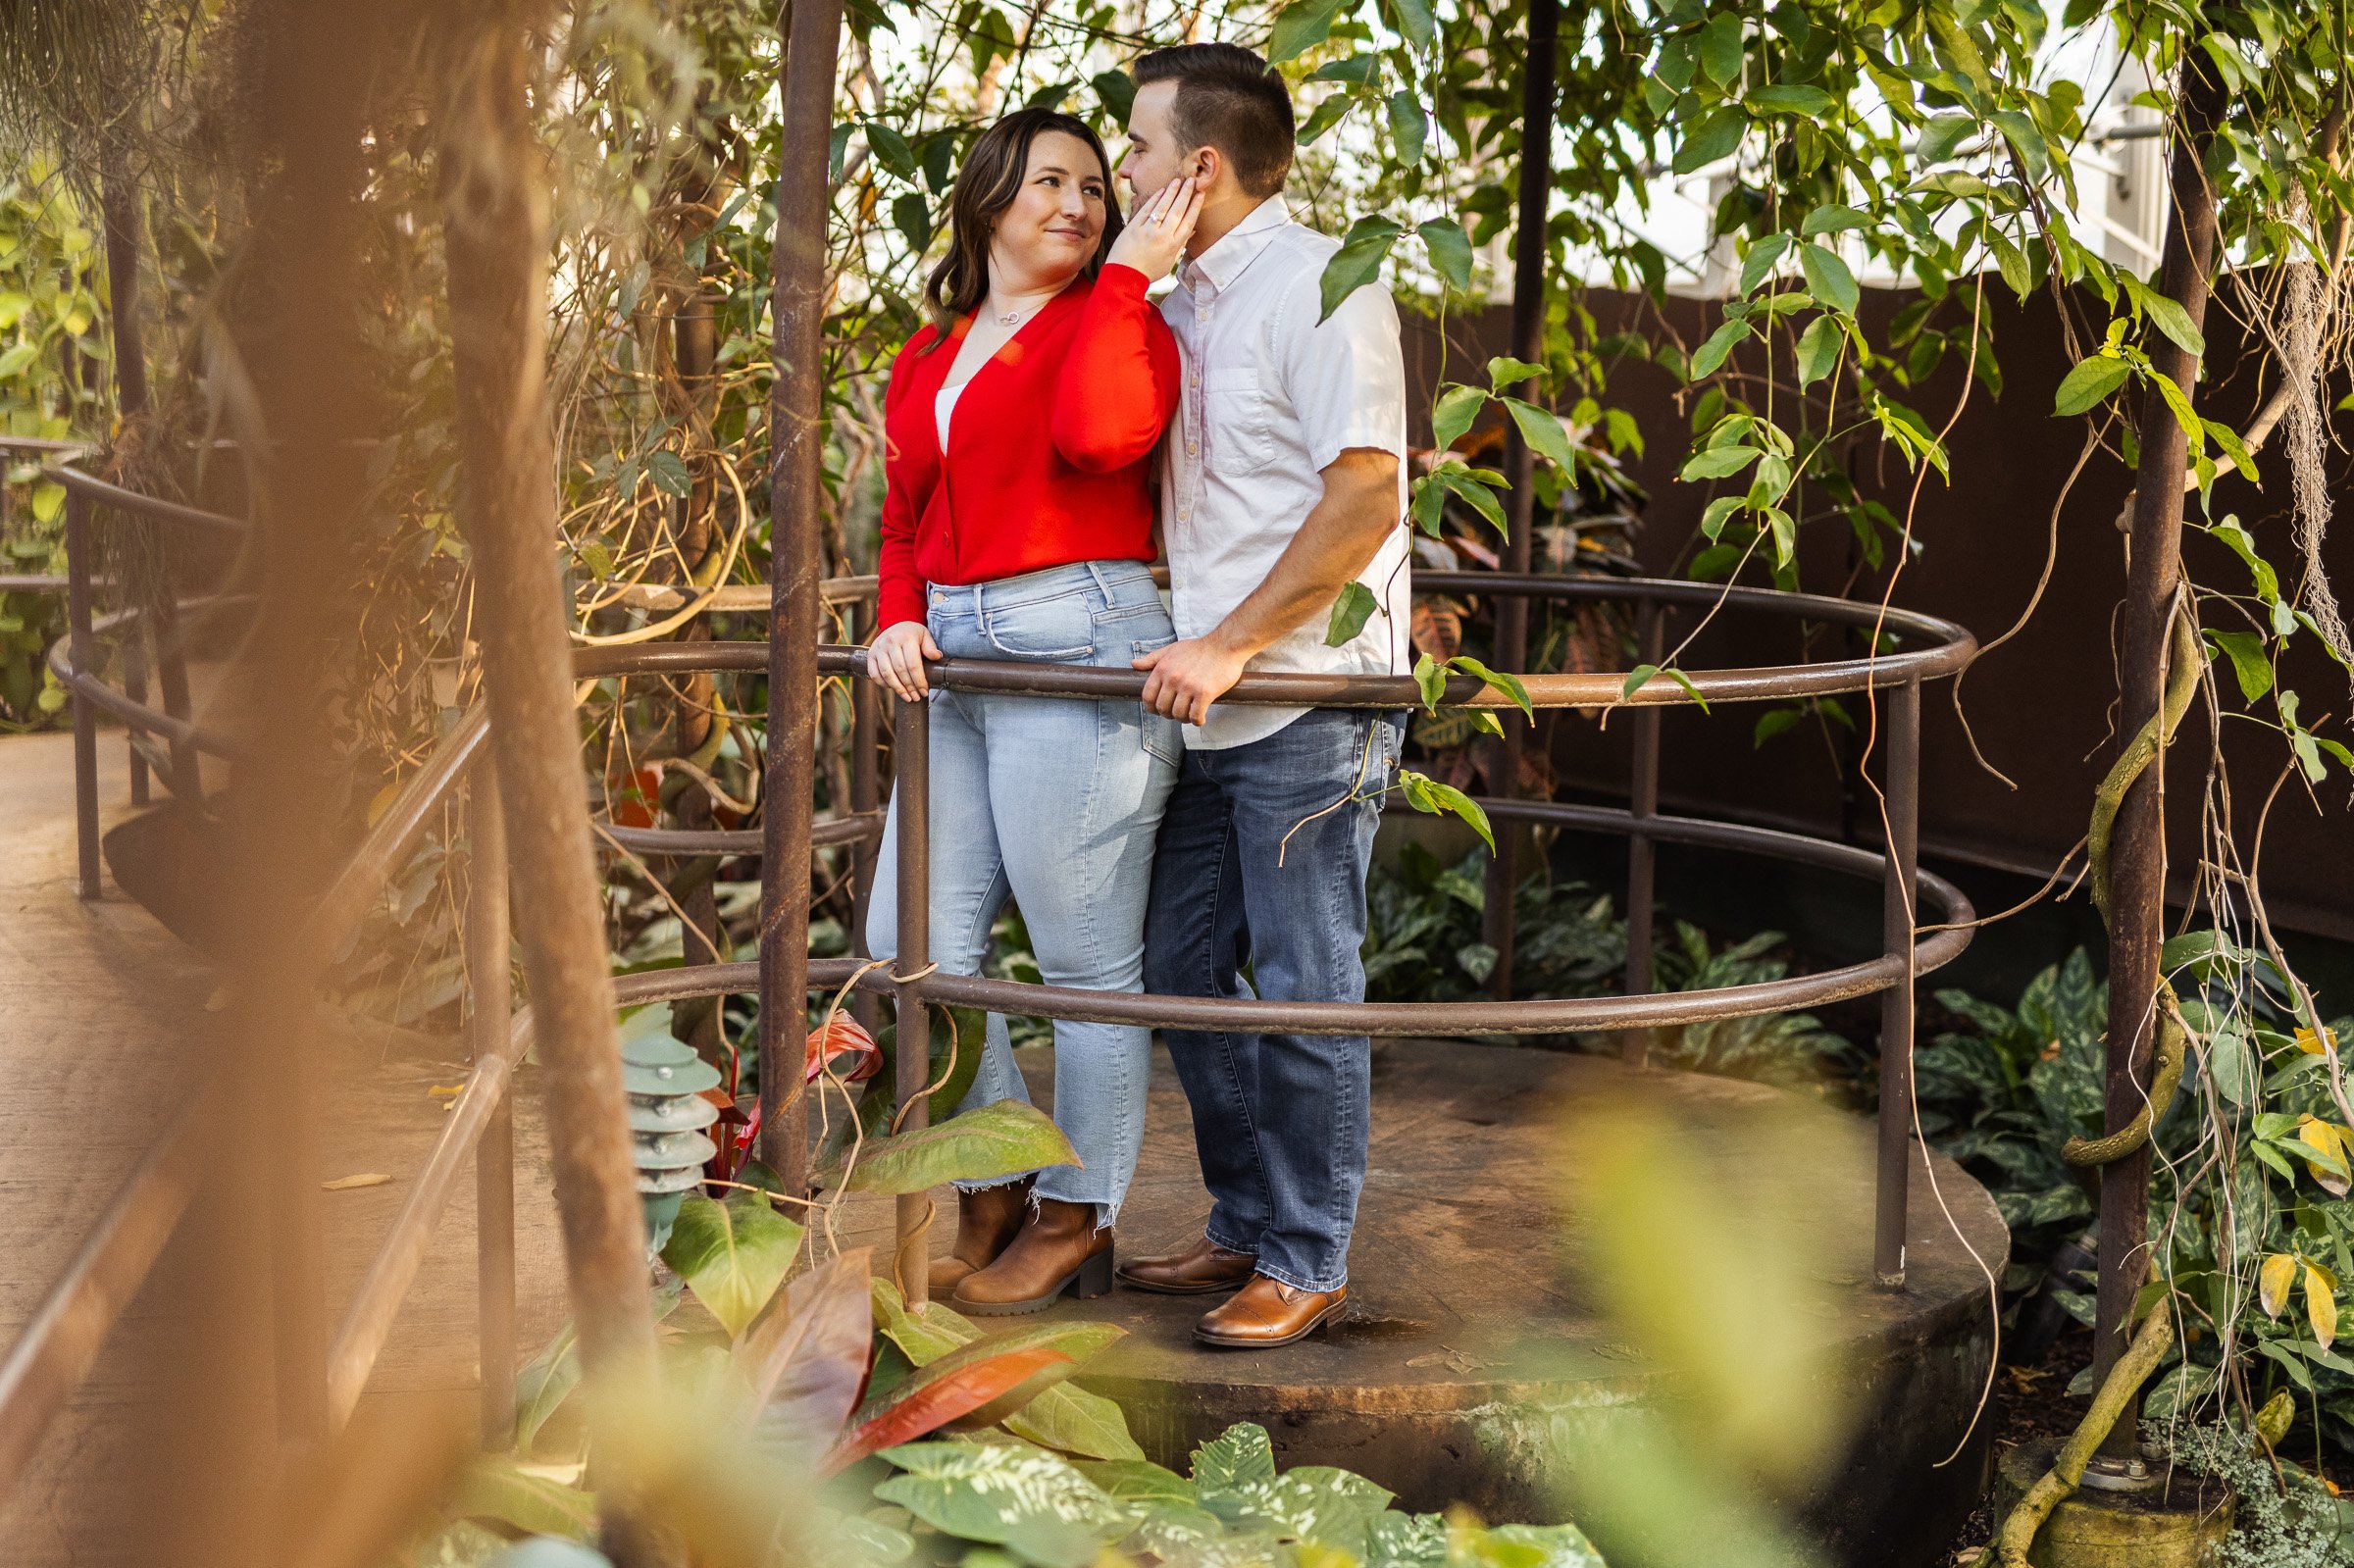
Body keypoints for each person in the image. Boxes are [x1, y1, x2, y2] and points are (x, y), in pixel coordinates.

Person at [862, 107, 1203, 1315]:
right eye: (1050, 181)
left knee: (1081, 969)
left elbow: (1100, 438)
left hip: (1082, 647)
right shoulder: (930, 348)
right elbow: (904, 516)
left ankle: (1080, 1216)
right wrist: (898, 613)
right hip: (947, 659)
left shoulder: (1123, 322)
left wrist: (1121, 284)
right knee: (913, 946)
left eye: (1098, 187)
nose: (1080, 202)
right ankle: (1000, 1176)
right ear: (991, 197)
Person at [1110, 43, 1411, 1347]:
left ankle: (1307, 1252)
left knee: (1301, 982)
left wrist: (1230, 641)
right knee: (1179, 962)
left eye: (1132, 147)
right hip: (1206, 705)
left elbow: (1366, 492)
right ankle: (1246, 1212)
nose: (1121, 171)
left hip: (1309, 695)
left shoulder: (1324, 285)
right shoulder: (1181, 301)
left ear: (1199, 163)